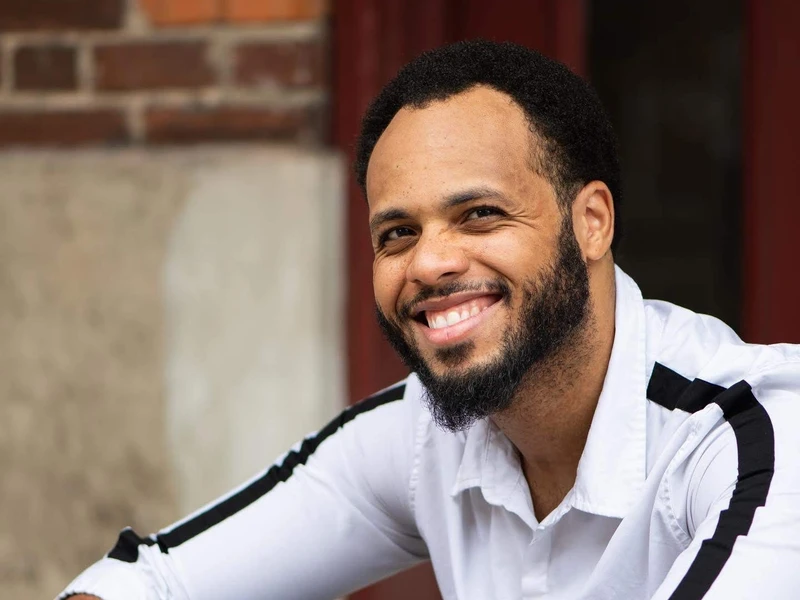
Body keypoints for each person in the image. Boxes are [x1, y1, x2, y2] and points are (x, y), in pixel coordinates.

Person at [59, 39, 800, 600]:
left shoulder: (753, 439)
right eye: (397, 233)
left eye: (479, 214)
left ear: (592, 222)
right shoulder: (425, 435)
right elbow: (154, 582)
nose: (429, 263)